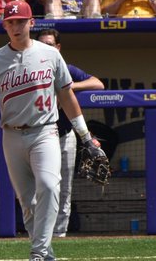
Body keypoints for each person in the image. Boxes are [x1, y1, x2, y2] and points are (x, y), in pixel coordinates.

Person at [0, 0, 99, 261]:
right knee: (27, 203)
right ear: (4, 25)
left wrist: (85, 136)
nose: (15, 27)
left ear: (31, 23)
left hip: (45, 131)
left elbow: (67, 97)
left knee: (50, 186)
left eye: (21, 21)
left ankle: (37, 258)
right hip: (11, 135)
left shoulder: (51, 55)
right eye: (10, 22)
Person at [34, 28, 105, 237]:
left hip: (64, 136)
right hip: (37, 137)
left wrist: (71, 86)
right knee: (41, 188)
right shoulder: (29, 70)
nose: (46, 48)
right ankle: (39, 233)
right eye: (42, 44)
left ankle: (60, 234)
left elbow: (98, 84)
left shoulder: (67, 69)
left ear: (57, 47)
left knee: (64, 189)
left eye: (50, 44)